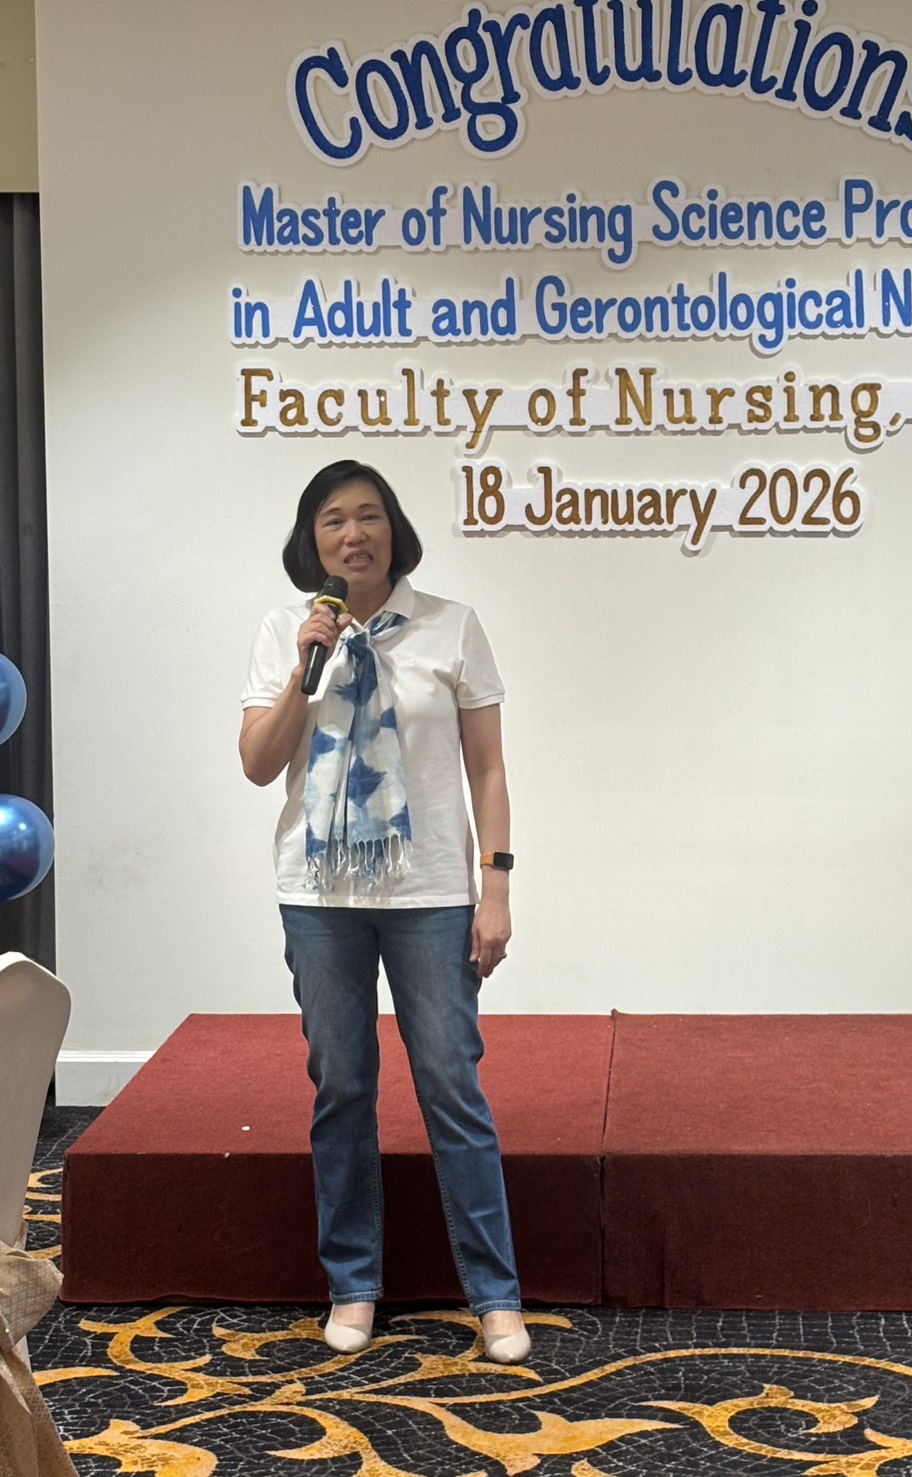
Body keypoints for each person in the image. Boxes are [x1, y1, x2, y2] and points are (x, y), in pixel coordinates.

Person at [239, 459, 529, 1364]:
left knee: (451, 1085)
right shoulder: (288, 631)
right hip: (318, 895)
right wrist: (305, 670)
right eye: (333, 520)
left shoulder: (452, 625)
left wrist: (496, 886)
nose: (353, 534)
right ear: (312, 540)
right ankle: (353, 1282)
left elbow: (488, 766)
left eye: (368, 516)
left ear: (394, 530)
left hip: (431, 892)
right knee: (343, 1086)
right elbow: (258, 763)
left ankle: (496, 1296)